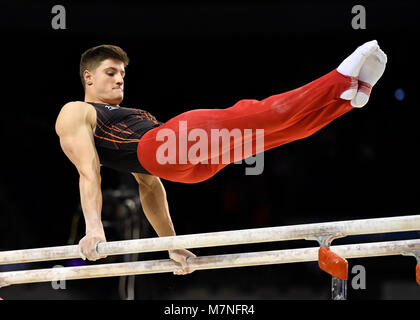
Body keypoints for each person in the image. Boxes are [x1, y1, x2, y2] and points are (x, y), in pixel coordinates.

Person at [55, 40, 387, 275]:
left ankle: (344, 99)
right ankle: (339, 79)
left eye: (123, 74)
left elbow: (149, 186)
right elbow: (88, 172)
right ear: (88, 77)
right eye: (111, 72)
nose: (119, 79)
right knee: (257, 116)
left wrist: (171, 244)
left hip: (177, 161)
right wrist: (95, 229)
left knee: (273, 133)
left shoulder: (132, 114)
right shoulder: (76, 111)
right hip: (164, 148)